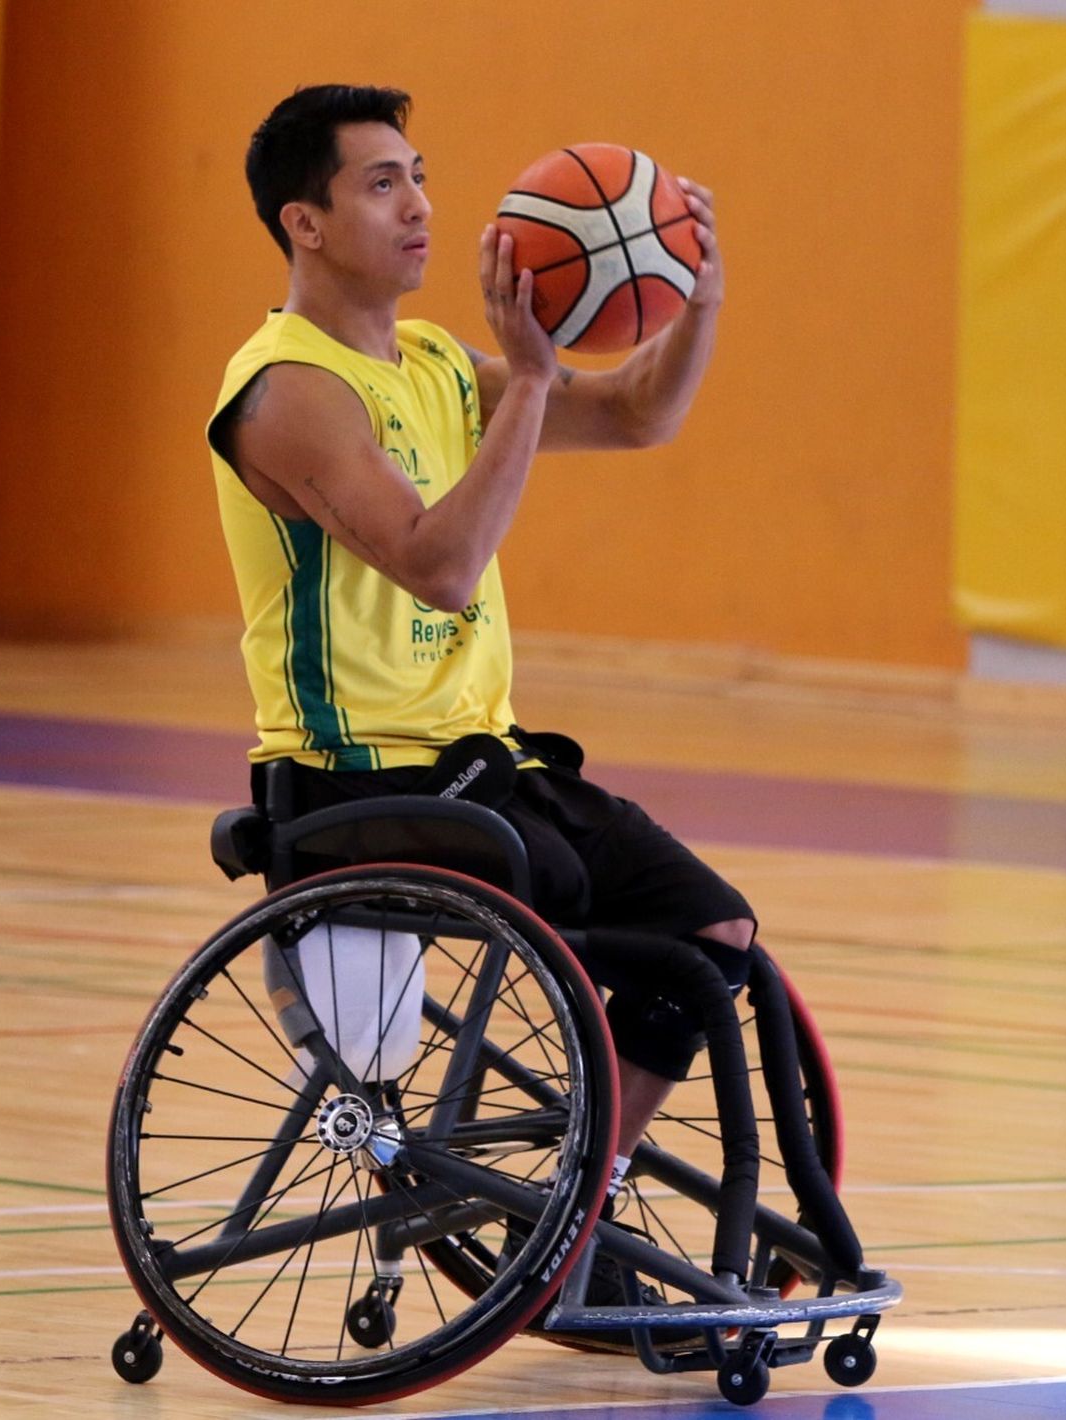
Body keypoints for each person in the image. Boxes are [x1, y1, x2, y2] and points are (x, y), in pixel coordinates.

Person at [207, 84, 754, 1208]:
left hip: (478, 765)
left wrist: (695, 301)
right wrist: (535, 380)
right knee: (577, 891)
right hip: (357, 780)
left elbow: (639, 415)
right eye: (381, 184)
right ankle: (554, 1199)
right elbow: (439, 565)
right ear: (305, 223)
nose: (418, 205)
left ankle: (577, 1193)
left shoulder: (438, 365)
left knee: (712, 926)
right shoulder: (288, 391)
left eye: (418, 177)